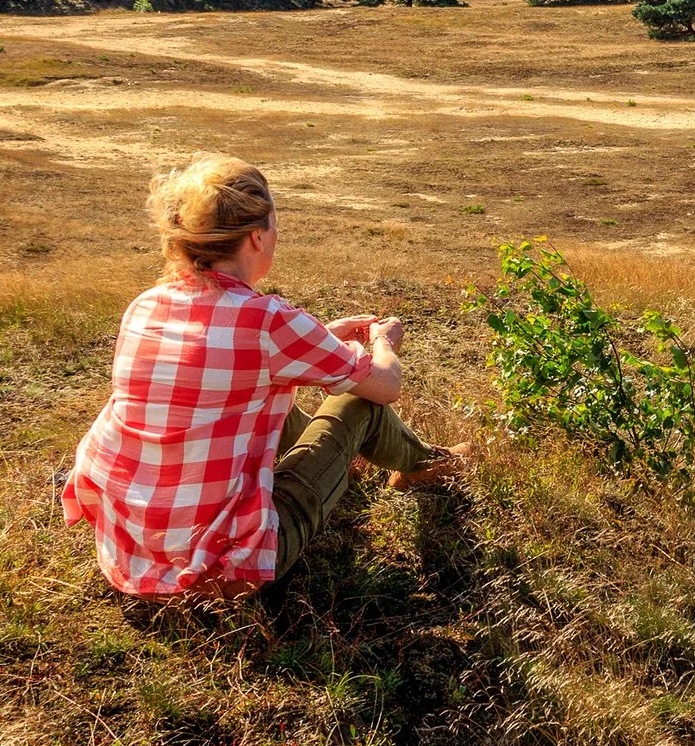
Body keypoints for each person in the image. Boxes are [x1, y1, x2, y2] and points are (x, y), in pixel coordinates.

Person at [61, 154, 470, 598]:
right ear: (256, 236)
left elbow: (230, 368)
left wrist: (323, 338)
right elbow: (385, 386)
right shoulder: (266, 321)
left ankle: (362, 467)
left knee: (275, 399)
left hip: (130, 552)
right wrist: (384, 343)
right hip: (221, 569)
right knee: (358, 403)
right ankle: (426, 464)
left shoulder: (146, 304)